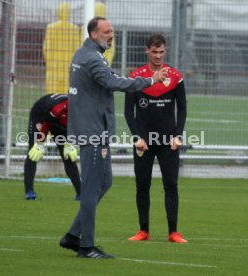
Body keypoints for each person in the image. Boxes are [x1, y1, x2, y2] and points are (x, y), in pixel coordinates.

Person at [59, 17, 168, 259]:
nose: (111, 35)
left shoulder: (83, 54)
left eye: (112, 31)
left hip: (92, 130)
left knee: (104, 182)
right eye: (107, 32)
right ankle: (86, 246)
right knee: (90, 189)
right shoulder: (91, 58)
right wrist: (150, 80)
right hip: (93, 133)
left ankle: (72, 235)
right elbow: (113, 82)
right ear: (93, 34)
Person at [124, 33, 187, 243]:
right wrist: (137, 138)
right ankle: (143, 231)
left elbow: (183, 110)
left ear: (165, 51)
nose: (158, 56)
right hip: (144, 143)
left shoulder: (176, 77)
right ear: (147, 51)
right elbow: (128, 112)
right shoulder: (135, 78)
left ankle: (173, 232)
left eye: (161, 52)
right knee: (142, 185)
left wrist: (178, 136)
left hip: (168, 143)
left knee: (171, 185)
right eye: (154, 52)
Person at [24, 93, 81, 201]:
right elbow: (46, 125)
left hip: (59, 122)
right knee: (33, 152)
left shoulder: (82, 111)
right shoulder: (58, 108)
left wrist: (70, 143)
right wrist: (40, 143)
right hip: (41, 117)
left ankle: (80, 193)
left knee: (67, 155)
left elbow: (77, 128)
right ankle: (29, 191)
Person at [43, 2, 80, 94]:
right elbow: (77, 50)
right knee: (67, 93)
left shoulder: (51, 27)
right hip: (68, 67)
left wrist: (49, 62)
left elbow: (46, 48)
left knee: (52, 94)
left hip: (54, 67)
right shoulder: (75, 29)